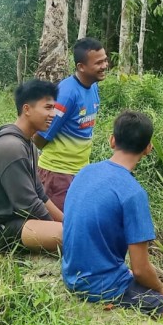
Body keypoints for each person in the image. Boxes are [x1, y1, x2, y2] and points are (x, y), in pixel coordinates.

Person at [61, 111, 163, 325]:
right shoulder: (133, 193)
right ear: (148, 148)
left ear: (112, 140)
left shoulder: (85, 172)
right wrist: (159, 291)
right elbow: (140, 269)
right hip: (101, 287)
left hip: (71, 275)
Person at [0, 80, 64, 254]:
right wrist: (56, 228)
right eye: (48, 107)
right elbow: (29, 204)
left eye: (54, 108)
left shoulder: (28, 144)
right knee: (71, 236)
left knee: (74, 229)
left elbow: (40, 194)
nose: (53, 114)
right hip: (1, 228)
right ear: (27, 109)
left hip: (20, 219)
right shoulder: (11, 147)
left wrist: (66, 221)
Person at [35, 37, 109, 210]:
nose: (105, 65)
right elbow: (41, 137)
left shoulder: (93, 87)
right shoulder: (67, 93)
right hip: (58, 173)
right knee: (60, 223)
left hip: (80, 171)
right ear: (81, 67)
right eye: (98, 63)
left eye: (105, 60)